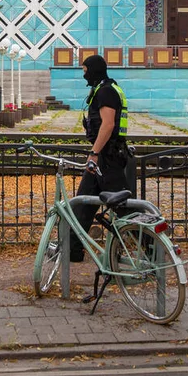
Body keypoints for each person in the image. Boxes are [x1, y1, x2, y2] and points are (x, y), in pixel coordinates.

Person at [69, 54, 131, 261]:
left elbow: (108, 124)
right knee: (82, 205)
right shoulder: (104, 89)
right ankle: (73, 251)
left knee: (124, 210)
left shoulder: (105, 92)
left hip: (107, 158)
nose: (83, 74)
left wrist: (94, 154)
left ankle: (152, 249)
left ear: (93, 70)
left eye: (85, 70)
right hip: (106, 156)